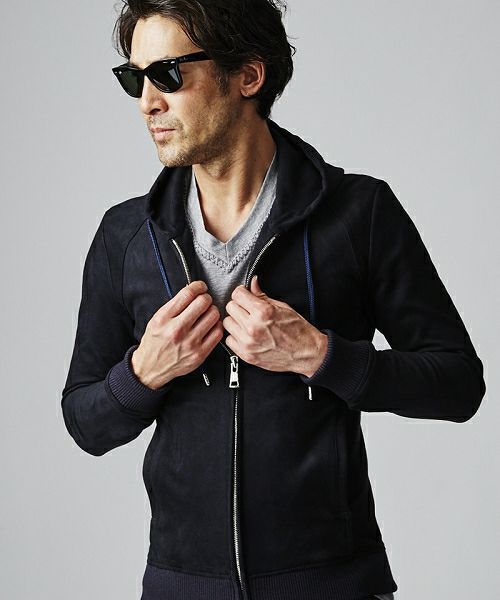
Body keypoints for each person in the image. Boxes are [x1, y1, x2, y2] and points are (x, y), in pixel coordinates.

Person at [61, 1, 486, 599]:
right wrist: (141, 374)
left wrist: (320, 355)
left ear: (248, 75)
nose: (147, 102)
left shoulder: (359, 214)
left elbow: (459, 383)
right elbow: (84, 421)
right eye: (135, 78)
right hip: (182, 589)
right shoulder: (127, 236)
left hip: (333, 585)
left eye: (168, 75)